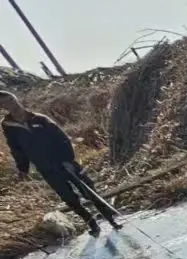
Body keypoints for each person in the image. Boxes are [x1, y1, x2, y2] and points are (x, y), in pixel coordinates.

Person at [0, 90, 122, 235]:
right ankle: (92, 225)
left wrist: (68, 160)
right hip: (47, 169)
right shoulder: (8, 126)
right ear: (2, 107)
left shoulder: (39, 119)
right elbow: (16, 149)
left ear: (16, 99)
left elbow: (62, 138)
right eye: (5, 103)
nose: (11, 105)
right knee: (69, 198)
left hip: (65, 163)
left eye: (11, 100)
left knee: (88, 191)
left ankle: (111, 219)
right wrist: (23, 170)